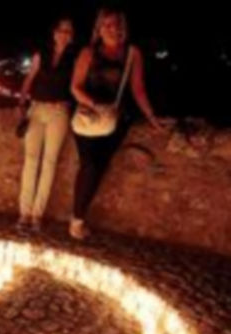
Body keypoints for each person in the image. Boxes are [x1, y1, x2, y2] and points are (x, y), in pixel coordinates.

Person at [69, 8, 166, 239]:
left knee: (100, 167)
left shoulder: (132, 54)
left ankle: (78, 218)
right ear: (100, 28)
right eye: (109, 25)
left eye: (118, 25)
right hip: (88, 115)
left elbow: (138, 89)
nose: (115, 29)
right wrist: (93, 104)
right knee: (89, 165)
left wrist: (152, 117)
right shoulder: (88, 52)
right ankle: (77, 218)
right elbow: (75, 87)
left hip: (115, 119)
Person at [16, 17, 77, 231]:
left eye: (68, 31)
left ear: (72, 36)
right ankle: (24, 213)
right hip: (37, 108)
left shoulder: (75, 59)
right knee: (31, 161)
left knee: (49, 163)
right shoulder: (41, 54)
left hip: (59, 111)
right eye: (61, 30)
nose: (64, 34)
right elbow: (29, 79)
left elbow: (77, 85)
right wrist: (22, 103)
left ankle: (37, 214)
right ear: (54, 33)